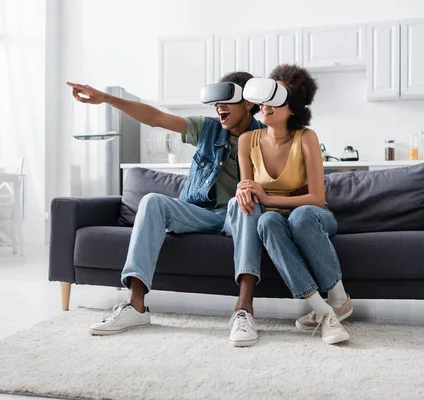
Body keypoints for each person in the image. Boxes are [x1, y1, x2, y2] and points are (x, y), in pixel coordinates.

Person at [66, 72, 265, 344]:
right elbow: (156, 118)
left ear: (249, 103)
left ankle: (243, 311)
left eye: (227, 100)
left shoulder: (265, 137)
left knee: (245, 203)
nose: (219, 106)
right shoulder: (207, 129)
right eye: (216, 100)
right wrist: (106, 99)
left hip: (237, 216)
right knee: (151, 201)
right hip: (198, 213)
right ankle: (136, 306)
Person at [229, 64, 352, 345]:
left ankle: (339, 299)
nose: (266, 105)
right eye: (265, 99)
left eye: (276, 100)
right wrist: (243, 190)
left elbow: (318, 198)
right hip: (274, 220)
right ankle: (325, 312)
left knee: (300, 217)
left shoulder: (306, 137)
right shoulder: (247, 140)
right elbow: (249, 191)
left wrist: (269, 198)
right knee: (265, 221)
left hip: (314, 215)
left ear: (293, 107)